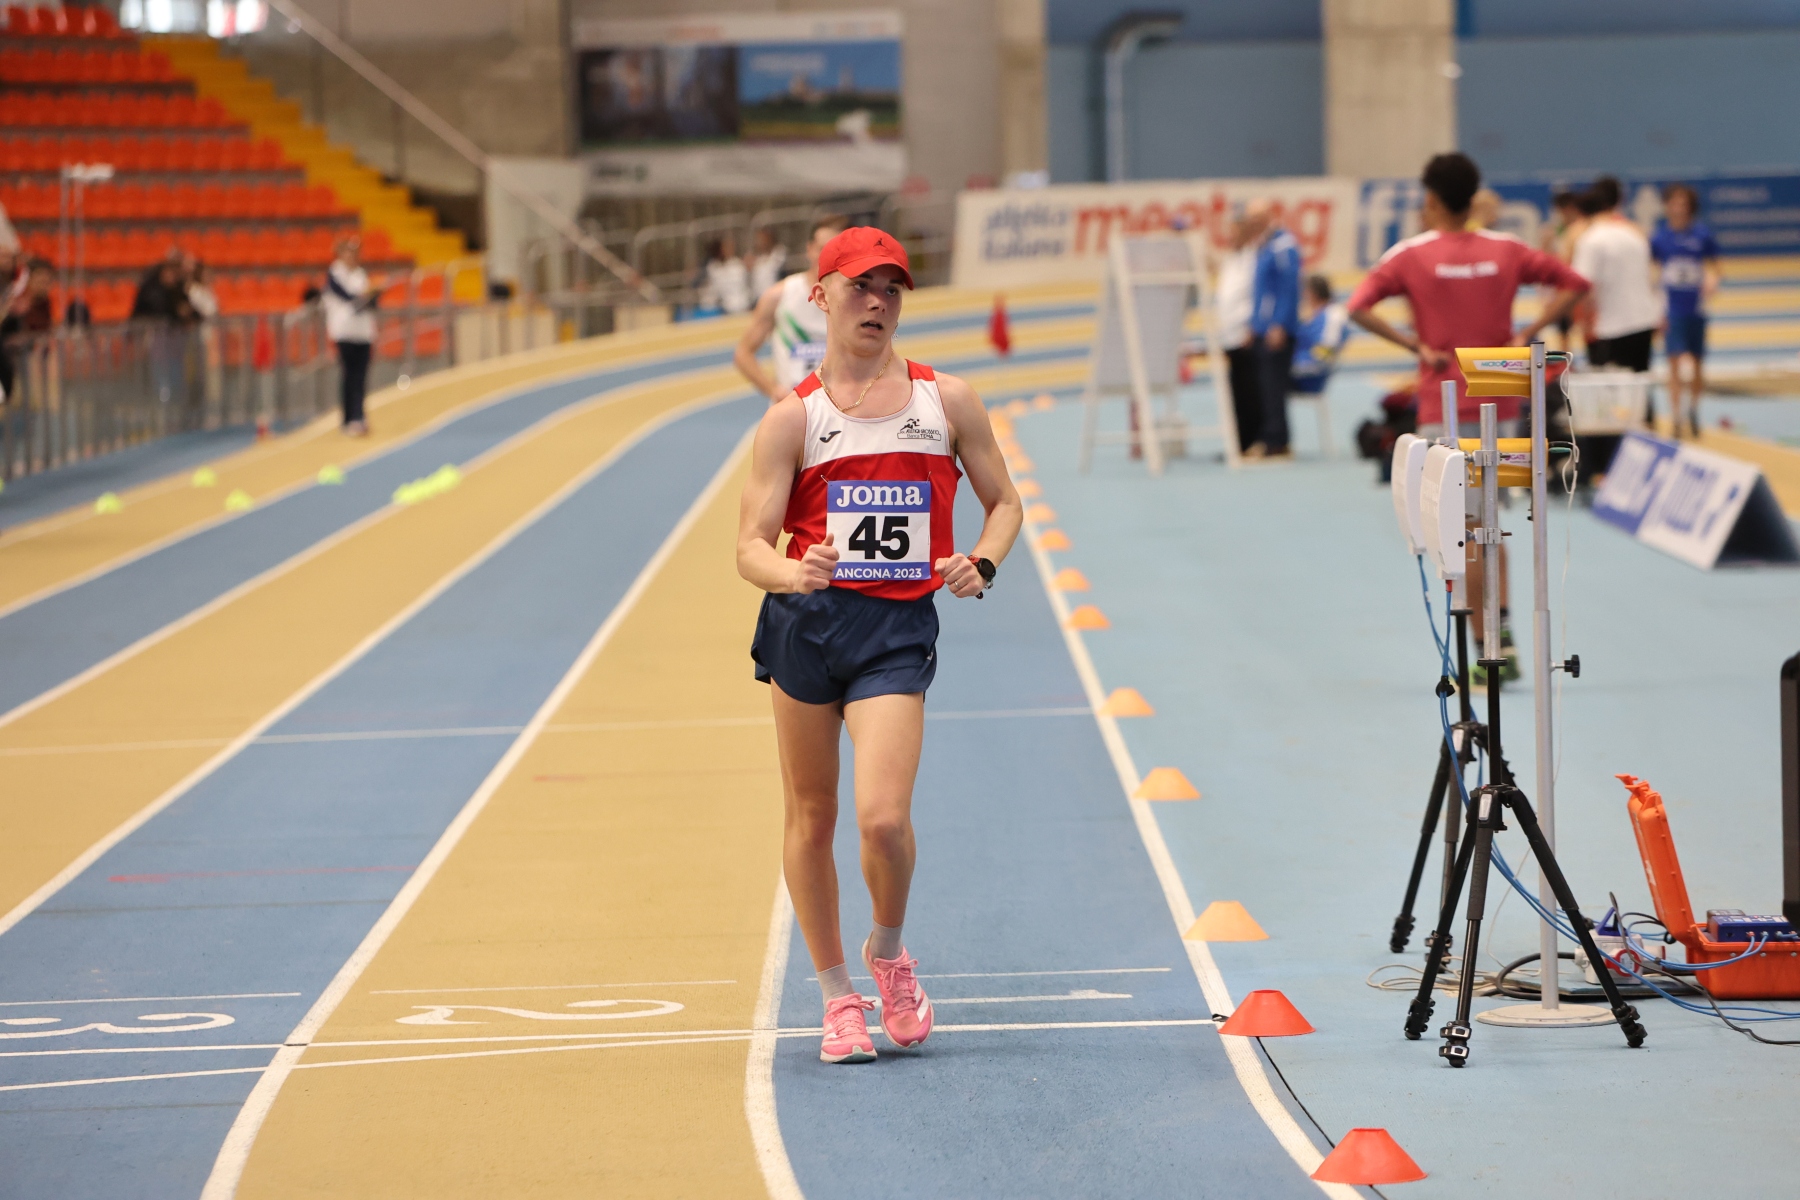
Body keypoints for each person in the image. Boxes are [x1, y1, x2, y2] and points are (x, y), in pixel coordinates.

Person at [735, 227, 1023, 1064]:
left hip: (895, 630)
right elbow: (749, 545)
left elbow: (1003, 502)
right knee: (812, 815)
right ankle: (835, 997)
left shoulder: (947, 402)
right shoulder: (794, 417)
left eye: (893, 288)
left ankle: (888, 953)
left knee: (884, 820)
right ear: (819, 296)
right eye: (861, 286)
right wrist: (792, 575)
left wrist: (983, 563)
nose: (878, 302)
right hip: (807, 628)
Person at [1347, 152, 1590, 684]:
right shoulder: (1506, 249)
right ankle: (1498, 638)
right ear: (1473, 196)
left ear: (1431, 200)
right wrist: (1527, 333)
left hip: (1445, 405)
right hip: (1499, 397)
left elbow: (1357, 307)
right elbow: (1574, 281)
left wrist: (1413, 344)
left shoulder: (1410, 255)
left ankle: (1486, 650)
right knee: (1489, 527)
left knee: (1462, 529)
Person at [733, 215, 849, 401]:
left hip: (838, 407)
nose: (830, 256)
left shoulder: (854, 298)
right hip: (793, 410)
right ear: (809, 249)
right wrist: (773, 390)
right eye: (823, 249)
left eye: (837, 250)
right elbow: (743, 353)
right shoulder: (779, 296)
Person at [1572, 177, 1661, 377]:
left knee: (1612, 398)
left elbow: (1583, 287)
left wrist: (1585, 323)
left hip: (1612, 326)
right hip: (1644, 321)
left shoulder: (1590, 239)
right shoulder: (1635, 233)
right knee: (1639, 386)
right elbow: (1650, 279)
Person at [1651, 183, 1720, 439]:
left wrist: (1713, 280)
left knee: (1698, 363)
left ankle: (1694, 410)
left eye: (1683, 203)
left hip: (1697, 308)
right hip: (1672, 308)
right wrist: (1655, 303)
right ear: (1667, 206)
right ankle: (1676, 417)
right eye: (1674, 202)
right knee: (1674, 363)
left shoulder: (1702, 235)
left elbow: (1716, 267)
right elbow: (1652, 270)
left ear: (1691, 207)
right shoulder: (1660, 238)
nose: (1678, 207)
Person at [1244, 198, 1302, 460]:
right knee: (1266, 388)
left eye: (1258, 218)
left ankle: (1276, 440)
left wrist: (1278, 324)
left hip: (1277, 331)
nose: (1254, 224)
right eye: (1251, 219)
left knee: (1273, 387)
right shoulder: (1263, 246)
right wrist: (1253, 324)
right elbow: (1261, 293)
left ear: (1270, 215)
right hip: (1263, 328)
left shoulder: (1283, 245)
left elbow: (1288, 289)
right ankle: (1275, 438)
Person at [1214, 211, 1261, 454]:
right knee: (1235, 394)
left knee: (1248, 393)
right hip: (1230, 335)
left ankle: (1251, 440)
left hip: (1245, 335)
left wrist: (1252, 327)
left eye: (1235, 233)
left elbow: (1256, 296)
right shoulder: (1231, 260)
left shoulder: (1253, 259)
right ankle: (1239, 442)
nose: (1230, 238)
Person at [323, 236, 379, 436]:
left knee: (361, 378)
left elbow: (369, 302)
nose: (352, 256)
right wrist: (363, 298)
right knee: (349, 376)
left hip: (363, 333)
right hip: (344, 332)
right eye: (348, 251)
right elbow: (345, 295)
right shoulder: (335, 273)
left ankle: (359, 416)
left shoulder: (361, 275)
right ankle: (349, 418)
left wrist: (373, 296)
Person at [1290, 274, 1349, 398]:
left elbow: (1326, 352)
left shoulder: (1333, 314)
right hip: (1302, 368)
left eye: (1305, 292)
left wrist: (1292, 365)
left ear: (1312, 293)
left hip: (1310, 377)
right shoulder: (1318, 315)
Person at [698, 234, 752, 316]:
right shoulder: (713, 268)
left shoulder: (737, 264)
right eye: (725, 247)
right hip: (726, 309)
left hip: (744, 306)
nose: (728, 250)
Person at [746, 226, 788, 295]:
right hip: (758, 296)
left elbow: (775, 266)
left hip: (775, 294)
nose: (761, 241)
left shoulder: (779, 252)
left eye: (763, 238)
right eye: (759, 239)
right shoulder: (756, 256)